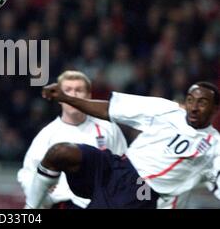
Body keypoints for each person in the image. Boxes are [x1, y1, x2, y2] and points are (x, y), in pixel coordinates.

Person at [26, 81, 220, 208]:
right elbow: (110, 110)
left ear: (215, 109)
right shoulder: (166, 110)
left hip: (142, 189)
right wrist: (66, 98)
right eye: (190, 100)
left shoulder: (214, 146)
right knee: (61, 152)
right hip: (115, 165)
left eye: (202, 102)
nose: (193, 107)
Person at [18, 70, 127, 209]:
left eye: (79, 90)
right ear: (58, 98)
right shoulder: (47, 135)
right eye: (67, 90)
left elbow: (124, 166)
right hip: (62, 204)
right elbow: (27, 173)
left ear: (89, 96)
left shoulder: (109, 129)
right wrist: (42, 197)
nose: (73, 95)